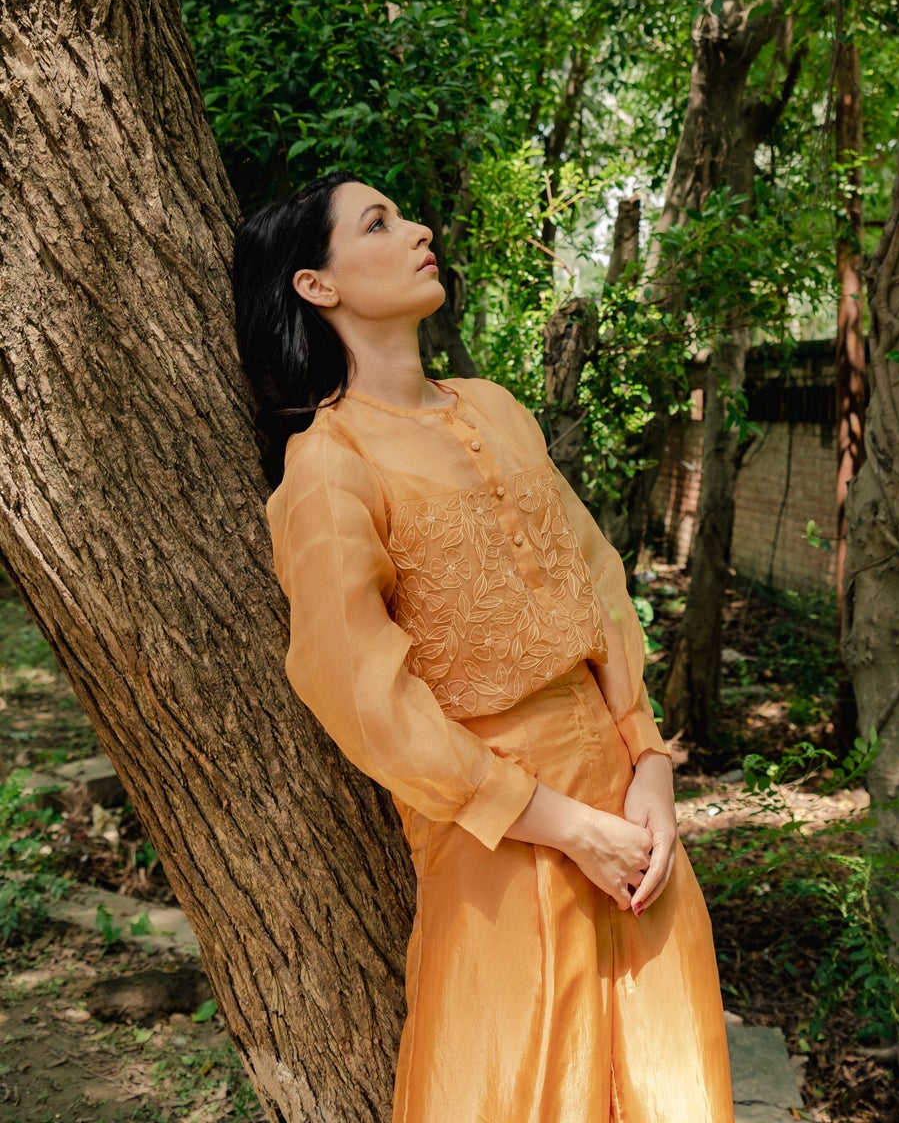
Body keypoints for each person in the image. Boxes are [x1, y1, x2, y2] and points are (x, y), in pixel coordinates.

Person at [232, 170, 736, 1123]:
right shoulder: (329, 467)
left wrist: (652, 769)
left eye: (404, 211)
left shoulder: (498, 409)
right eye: (379, 222)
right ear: (316, 286)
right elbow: (358, 694)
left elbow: (597, 588)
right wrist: (562, 825)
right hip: (498, 835)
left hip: (632, 817)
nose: (418, 228)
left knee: (667, 1081)